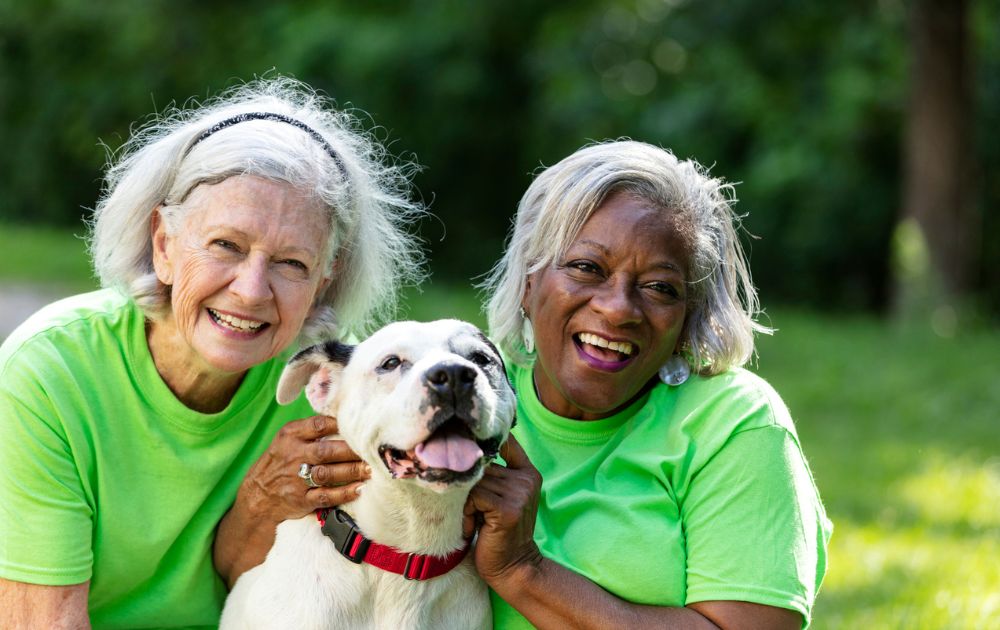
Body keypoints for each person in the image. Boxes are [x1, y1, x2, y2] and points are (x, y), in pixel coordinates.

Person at [0, 77, 424, 628]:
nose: (251, 290)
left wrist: (259, 508)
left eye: (291, 264)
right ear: (164, 245)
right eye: (226, 245)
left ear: (325, 279)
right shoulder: (52, 372)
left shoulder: (334, 393)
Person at [468, 140, 833, 629]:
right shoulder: (466, 394)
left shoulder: (732, 422)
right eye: (586, 268)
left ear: (689, 319)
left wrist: (523, 570)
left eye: (661, 288)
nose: (618, 308)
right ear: (530, 282)